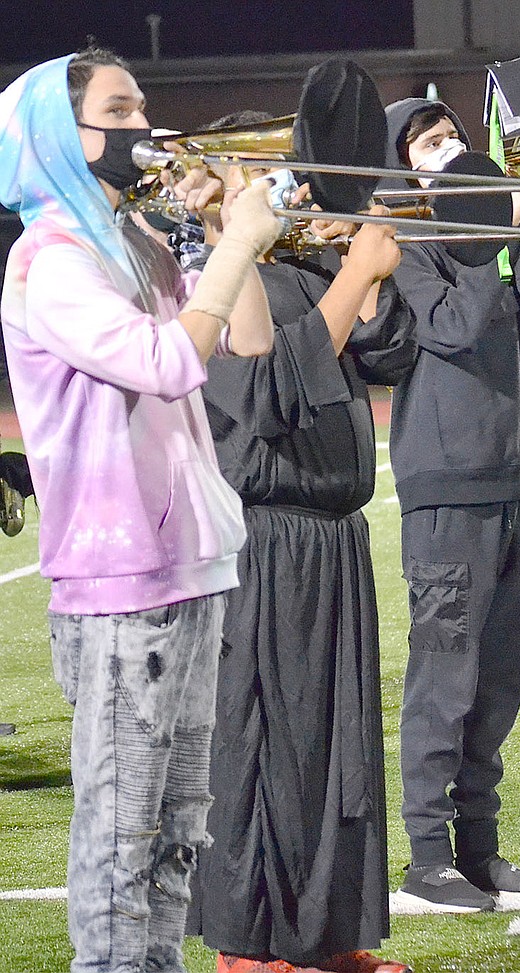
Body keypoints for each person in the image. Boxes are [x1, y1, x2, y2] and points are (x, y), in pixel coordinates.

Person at [0, 48, 281, 973]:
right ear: (58, 135)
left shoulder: (133, 244)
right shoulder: (51, 262)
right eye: (118, 109)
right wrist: (235, 243)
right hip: (120, 580)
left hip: (192, 564)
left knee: (177, 832)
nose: (142, 126)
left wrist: (217, 237)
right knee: (123, 833)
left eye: (142, 106)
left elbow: (247, 338)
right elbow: (167, 362)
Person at [181, 111, 416, 973]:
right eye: (271, 173)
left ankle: (320, 934)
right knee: (261, 742)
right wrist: (355, 270)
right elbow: (274, 385)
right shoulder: (213, 278)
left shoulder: (300, 264)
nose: (294, 189)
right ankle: (248, 946)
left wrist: (365, 264)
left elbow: (393, 351)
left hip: (330, 540)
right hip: (262, 539)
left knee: (332, 748)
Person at [383, 97, 520, 911]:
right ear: (405, 165)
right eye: (428, 141)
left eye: (453, 136)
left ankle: (480, 849)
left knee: (502, 679)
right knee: (445, 676)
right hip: (447, 489)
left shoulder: (505, 240)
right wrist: (492, 237)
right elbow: (447, 324)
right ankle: (428, 852)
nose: (449, 147)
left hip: (519, 482)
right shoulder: (407, 240)